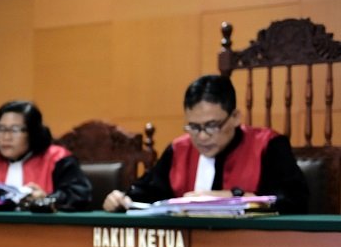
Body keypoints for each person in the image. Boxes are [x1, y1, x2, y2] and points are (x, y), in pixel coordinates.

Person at [103, 75, 309, 214]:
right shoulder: (179, 149)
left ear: (235, 117)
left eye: (211, 126)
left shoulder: (268, 146)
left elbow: (295, 200)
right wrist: (121, 198)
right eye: (193, 126)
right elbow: (147, 192)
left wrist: (233, 198)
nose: (201, 137)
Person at [0, 100, 92, 211]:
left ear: (33, 133)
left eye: (15, 130)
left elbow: (80, 197)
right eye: (1, 129)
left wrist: (46, 199)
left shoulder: (58, 159)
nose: (6, 137)